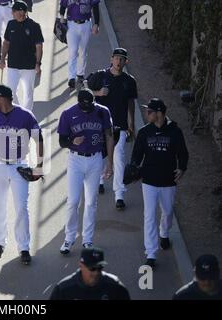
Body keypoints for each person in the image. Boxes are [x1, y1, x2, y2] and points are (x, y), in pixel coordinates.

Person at [0, 84, 44, 265]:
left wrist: (39, 166)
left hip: (19, 166)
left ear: (2, 98)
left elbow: (39, 138)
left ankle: (24, 247)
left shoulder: (25, 115)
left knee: (21, 207)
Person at [131, 98, 189, 268]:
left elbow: (183, 153)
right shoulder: (144, 132)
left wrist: (182, 168)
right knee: (149, 215)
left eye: (150, 112)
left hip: (168, 180)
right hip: (148, 180)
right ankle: (151, 252)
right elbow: (136, 155)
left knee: (168, 211)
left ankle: (164, 233)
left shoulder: (174, 131)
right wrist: (134, 167)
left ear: (159, 114)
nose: (147, 114)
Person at [57, 88, 114, 253]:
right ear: (79, 102)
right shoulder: (68, 114)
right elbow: (61, 141)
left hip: (95, 159)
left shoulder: (102, 112)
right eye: (85, 105)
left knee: (91, 201)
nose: (88, 108)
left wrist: (110, 162)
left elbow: (109, 136)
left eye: (91, 105)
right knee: (73, 201)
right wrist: (72, 141)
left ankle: (87, 239)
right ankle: (69, 238)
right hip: (75, 160)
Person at [87, 48, 137, 209]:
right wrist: (98, 92)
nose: (119, 62)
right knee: (99, 154)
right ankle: (101, 180)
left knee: (119, 157)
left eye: (122, 59)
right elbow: (84, 92)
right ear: (111, 59)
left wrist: (131, 124)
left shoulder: (129, 81)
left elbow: (131, 103)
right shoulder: (100, 76)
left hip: (119, 125)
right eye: (116, 58)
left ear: (126, 62)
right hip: (99, 123)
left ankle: (119, 194)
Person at [0, 1, 43, 111]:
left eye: (15, 11)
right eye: (13, 11)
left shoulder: (34, 26)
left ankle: (27, 115)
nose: (13, 13)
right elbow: (6, 42)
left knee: (28, 94)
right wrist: (2, 58)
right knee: (11, 91)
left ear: (23, 12)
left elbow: (39, 47)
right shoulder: (11, 24)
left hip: (29, 66)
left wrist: (38, 64)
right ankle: (19, 112)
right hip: (13, 65)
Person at [50, 247, 130, 300]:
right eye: (92, 268)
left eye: (99, 268)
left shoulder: (115, 286)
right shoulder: (64, 289)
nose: (96, 273)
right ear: (81, 266)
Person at [59, 0, 100, 90]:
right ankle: (71, 78)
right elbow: (63, 5)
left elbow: (95, 7)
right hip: (71, 25)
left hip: (86, 24)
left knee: (83, 51)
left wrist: (96, 23)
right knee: (73, 51)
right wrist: (61, 16)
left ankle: (80, 74)